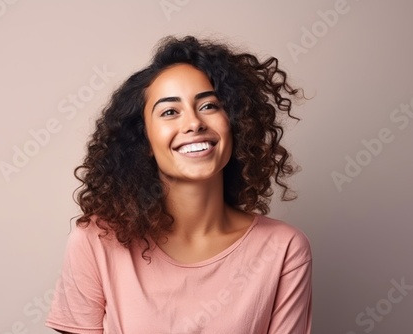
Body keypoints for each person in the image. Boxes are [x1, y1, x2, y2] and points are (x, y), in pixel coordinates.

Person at [45, 35, 312, 334]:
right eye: (170, 112)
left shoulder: (284, 248)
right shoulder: (97, 240)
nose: (194, 123)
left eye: (209, 105)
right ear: (143, 139)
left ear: (235, 123)